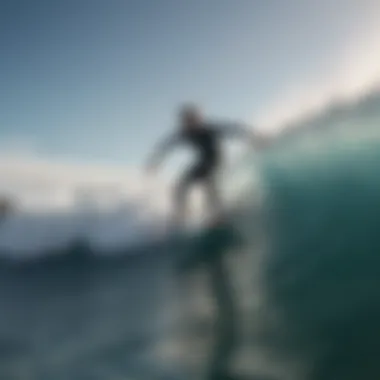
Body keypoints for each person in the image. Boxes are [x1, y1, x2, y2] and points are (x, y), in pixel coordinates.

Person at [145, 103, 261, 227]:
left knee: (208, 185)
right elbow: (167, 145)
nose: (189, 124)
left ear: (198, 119)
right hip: (202, 161)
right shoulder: (185, 133)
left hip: (215, 160)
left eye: (192, 120)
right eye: (186, 121)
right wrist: (155, 162)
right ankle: (181, 215)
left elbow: (234, 129)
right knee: (180, 186)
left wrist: (254, 138)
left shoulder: (209, 129)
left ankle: (219, 215)